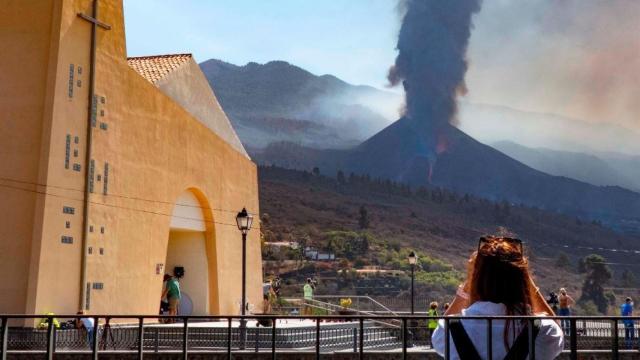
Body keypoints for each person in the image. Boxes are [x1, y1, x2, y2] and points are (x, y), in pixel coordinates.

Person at [432, 236, 564, 359]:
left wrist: (469, 283)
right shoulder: (543, 330)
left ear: (477, 280)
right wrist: (528, 282)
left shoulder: (449, 330)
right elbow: (558, 332)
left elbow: (437, 337)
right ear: (521, 281)